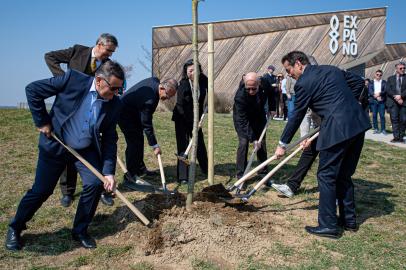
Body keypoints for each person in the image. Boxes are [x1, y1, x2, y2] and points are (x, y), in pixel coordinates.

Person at [5, 61, 125, 251]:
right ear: (100, 81)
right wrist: (43, 121)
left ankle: (80, 230)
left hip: (85, 149)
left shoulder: (115, 103)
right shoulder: (73, 80)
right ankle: (15, 227)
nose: (117, 93)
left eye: (120, 88)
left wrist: (108, 171)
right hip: (57, 145)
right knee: (42, 190)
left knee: (94, 184)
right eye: (114, 88)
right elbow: (33, 90)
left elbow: (110, 137)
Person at [274, 51, 370, 238]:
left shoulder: (303, 84)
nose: (288, 74)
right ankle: (349, 221)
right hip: (357, 125)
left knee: (326, 175)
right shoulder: (331, 69)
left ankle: (328, 225)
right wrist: (348, 103)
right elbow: (359, 83)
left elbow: (296, 116)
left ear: (299, 64)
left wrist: (282, 143)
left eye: (289, 69)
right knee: (344, 174)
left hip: (337, 129)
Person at [44, 33, 119, 207]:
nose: (110, 55)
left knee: (93, 148)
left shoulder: (107, 65)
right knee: (68, 147)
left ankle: (101, 188)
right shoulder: (77, 51)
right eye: (108, 50)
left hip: (92, 111)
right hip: (70, 110)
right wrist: (64, 80)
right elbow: (50, 56)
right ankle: (67, 192)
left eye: (112, 52)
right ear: (99, 45)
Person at [119, 77, 178, 184]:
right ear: (163, 89)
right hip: (123, 112)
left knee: (139, 139)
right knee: (134, 142)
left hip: (133, 111)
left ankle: (140, 169)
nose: (167, 98)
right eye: (168, 95)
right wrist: (154, 145)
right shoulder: (150, 100)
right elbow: (147, 124)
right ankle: (130, 175)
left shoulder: (155, 81)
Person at [233, 72, 275, 183]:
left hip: (259, 116)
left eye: (253, 89)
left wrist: (272, 107)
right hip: (243, 119)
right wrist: (253, 138)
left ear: (259, 84)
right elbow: (242, 120)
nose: (251, 91)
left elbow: (271, 92)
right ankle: (241, 174)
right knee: (243, 142)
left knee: (262, 143)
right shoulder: (240, 96)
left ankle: (263, 172)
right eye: (248, 89)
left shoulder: (265, 83)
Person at [172, 59, 208, 183]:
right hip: (182, 118)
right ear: (186, 72)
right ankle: (183, 177)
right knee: (183, 145)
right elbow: (180, 105)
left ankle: (206, 168)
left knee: (199, 143)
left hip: (197, 117)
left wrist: (207, 106)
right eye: (190, 70)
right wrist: (190, 123)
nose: (192, 73)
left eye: (195, 70)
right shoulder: (184, 84)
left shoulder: (203, 80)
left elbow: (209, 92)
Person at [385, 62, 406, 143]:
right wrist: (396, 97)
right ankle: (396, 137)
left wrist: (401, 96)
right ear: (396, 69)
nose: (403, 69)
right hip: (393, 102)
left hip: (404, 102)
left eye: (404, 68)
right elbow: (388, 90)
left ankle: (401, 137)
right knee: (394, 119)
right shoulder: (390, 78)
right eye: (401, 68)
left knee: (403, 120)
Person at [368, 70, 387, 134]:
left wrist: (379, 94)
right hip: (373, 101)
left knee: (382, 116)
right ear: (375, 75)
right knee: (374, 115)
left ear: (382, 75)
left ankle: (383, 129)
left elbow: (385, 90)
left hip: (381, 101)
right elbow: (370, 91)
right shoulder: (371, 82)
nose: (378, 76)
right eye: (377, 74)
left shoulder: (384, 82)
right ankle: (376, 129)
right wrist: (375, 96)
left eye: (380, 75)